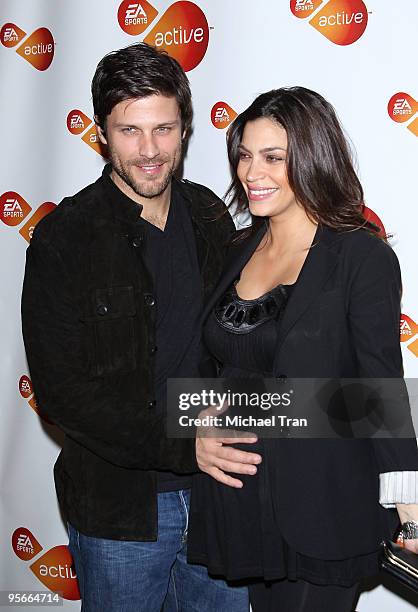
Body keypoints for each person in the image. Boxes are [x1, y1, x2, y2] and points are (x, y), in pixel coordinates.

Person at [21, 43, 249, 611]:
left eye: (164, 129)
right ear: (102, 131)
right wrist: (183, 444)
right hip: (118, 512)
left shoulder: (210, 215)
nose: (149, 151)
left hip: (220, 496)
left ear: (186, 129)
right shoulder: (63, 237)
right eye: (130, 131)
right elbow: (62, 392)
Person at [188, 87, 418, 611]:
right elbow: (209, 367)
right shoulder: (236, 250)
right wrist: (196, 428)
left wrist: (411, 512)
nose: (252, 173)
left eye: (274, 158)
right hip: (244, 505)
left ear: (313, 158)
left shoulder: (360, 255)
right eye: (245, 156)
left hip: (328, 506)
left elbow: (378, 389)